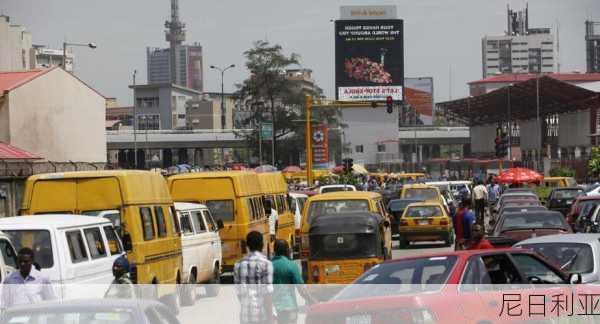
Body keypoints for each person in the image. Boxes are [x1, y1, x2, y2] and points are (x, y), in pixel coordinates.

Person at [272, 240, 316, 324]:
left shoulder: (268, 265)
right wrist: (314, 302)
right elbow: (302, 290)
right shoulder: (291, 265)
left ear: (274, 251)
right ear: (287, 250)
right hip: (289, 308)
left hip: (273, 310)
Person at [234, 231, 274, 324]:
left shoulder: (238, 265)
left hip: (245, 316)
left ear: (247, 245)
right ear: (262, 245)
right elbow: (267, 293)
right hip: (262, 316)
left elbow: (239, 293)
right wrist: (271, 319)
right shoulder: (266, 264)